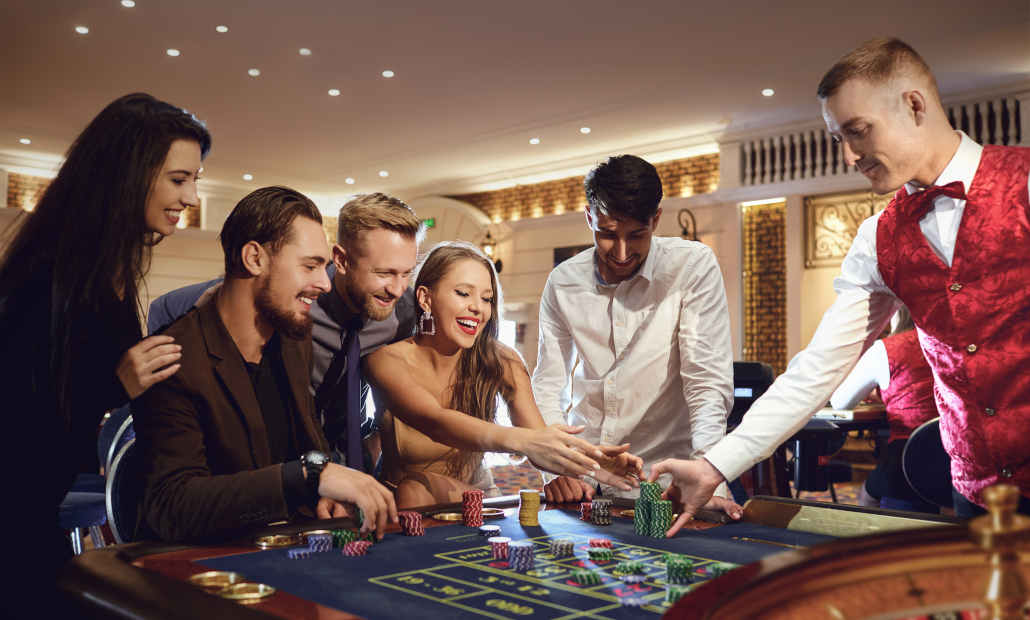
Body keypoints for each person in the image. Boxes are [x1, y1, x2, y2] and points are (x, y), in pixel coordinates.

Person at [652, 37, 1030, 535]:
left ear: (914, 105)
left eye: (857, 131)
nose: (849, 156)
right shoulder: (878, 237)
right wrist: (715, 465)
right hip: (974, 495)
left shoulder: (1023, 182)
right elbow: (817, 369)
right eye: (838, 139)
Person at [0, 92, 209, 612]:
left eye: (195, 180)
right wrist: (118, 385)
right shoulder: (51, 272)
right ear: (129, 175)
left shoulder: (106, 269)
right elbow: (20, 419)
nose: (190, 197)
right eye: (178, 179)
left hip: (37, 504)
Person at [135, 186, 397, 542]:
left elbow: (303, 449)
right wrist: (309, 477)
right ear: (254, 258)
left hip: (286, 548)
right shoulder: (172, 358)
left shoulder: (293, 340)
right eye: (310, 266)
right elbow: (171, 506)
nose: (324, 283)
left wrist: (323, 492)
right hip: (202, 566)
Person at [530, 154, 741, 516]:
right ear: (588, 218)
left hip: (668, 482)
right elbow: (549, 383)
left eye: (637, 235)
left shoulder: (692, 266)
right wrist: (557, 465)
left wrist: (709, 473)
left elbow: (706, 382)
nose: (622, 252)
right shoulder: (563, 282)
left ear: (656, 220)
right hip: (586, 480)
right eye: (607, 234)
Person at [366, 242, 643, 509]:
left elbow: (538, 438)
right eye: (463, 293)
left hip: (477, 499)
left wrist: (591, 462)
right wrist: (523, 440)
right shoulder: (385, 361)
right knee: (412, 490)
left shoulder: (501, 359)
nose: (478, 307)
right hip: (404, 504)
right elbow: (435, 421)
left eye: (487, 298)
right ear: (425, 298)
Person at [830, 306, 939, 512]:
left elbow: (840, 403)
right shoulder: (954, 344)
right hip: (959, 460)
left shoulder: (887, 349)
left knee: (867, 496)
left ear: (897, 313)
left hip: (907, 461)